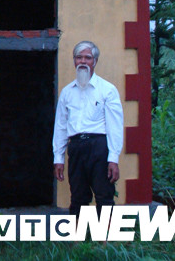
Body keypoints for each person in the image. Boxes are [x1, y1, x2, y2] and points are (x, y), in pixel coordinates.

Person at [52, 40, 124, 217]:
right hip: (76, 148)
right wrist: (58, 158)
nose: (83, 61)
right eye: (79, 57)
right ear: (74, 61)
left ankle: (105, 241)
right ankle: (78, 240)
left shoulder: (107, 90)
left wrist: (113, 158)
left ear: (95, 62)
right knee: (78, 195)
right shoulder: (67, 92)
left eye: (88, 58)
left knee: (104, 195)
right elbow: (61, 127)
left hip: (99, 147)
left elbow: (115, 126)